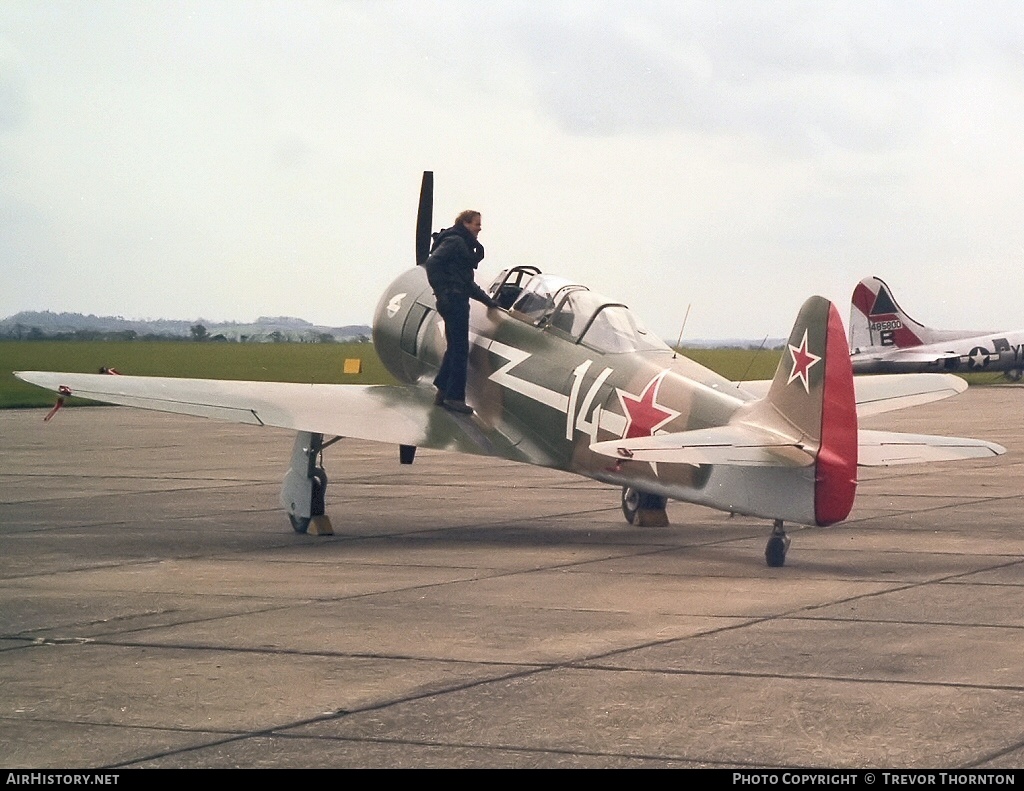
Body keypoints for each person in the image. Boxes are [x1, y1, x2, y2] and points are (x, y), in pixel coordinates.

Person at [424, 209, 498, 414]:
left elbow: (466, 282)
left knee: (455, 347)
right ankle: (455, 397)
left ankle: (442, 389)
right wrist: (442, 292)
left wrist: (489, 301)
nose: (479, 227)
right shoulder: (456, 242)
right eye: (476, 223)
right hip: (453, 301)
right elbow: (433, 263)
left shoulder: (462, 243)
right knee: (460, 349)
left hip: (456, 298)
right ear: (465, 223)